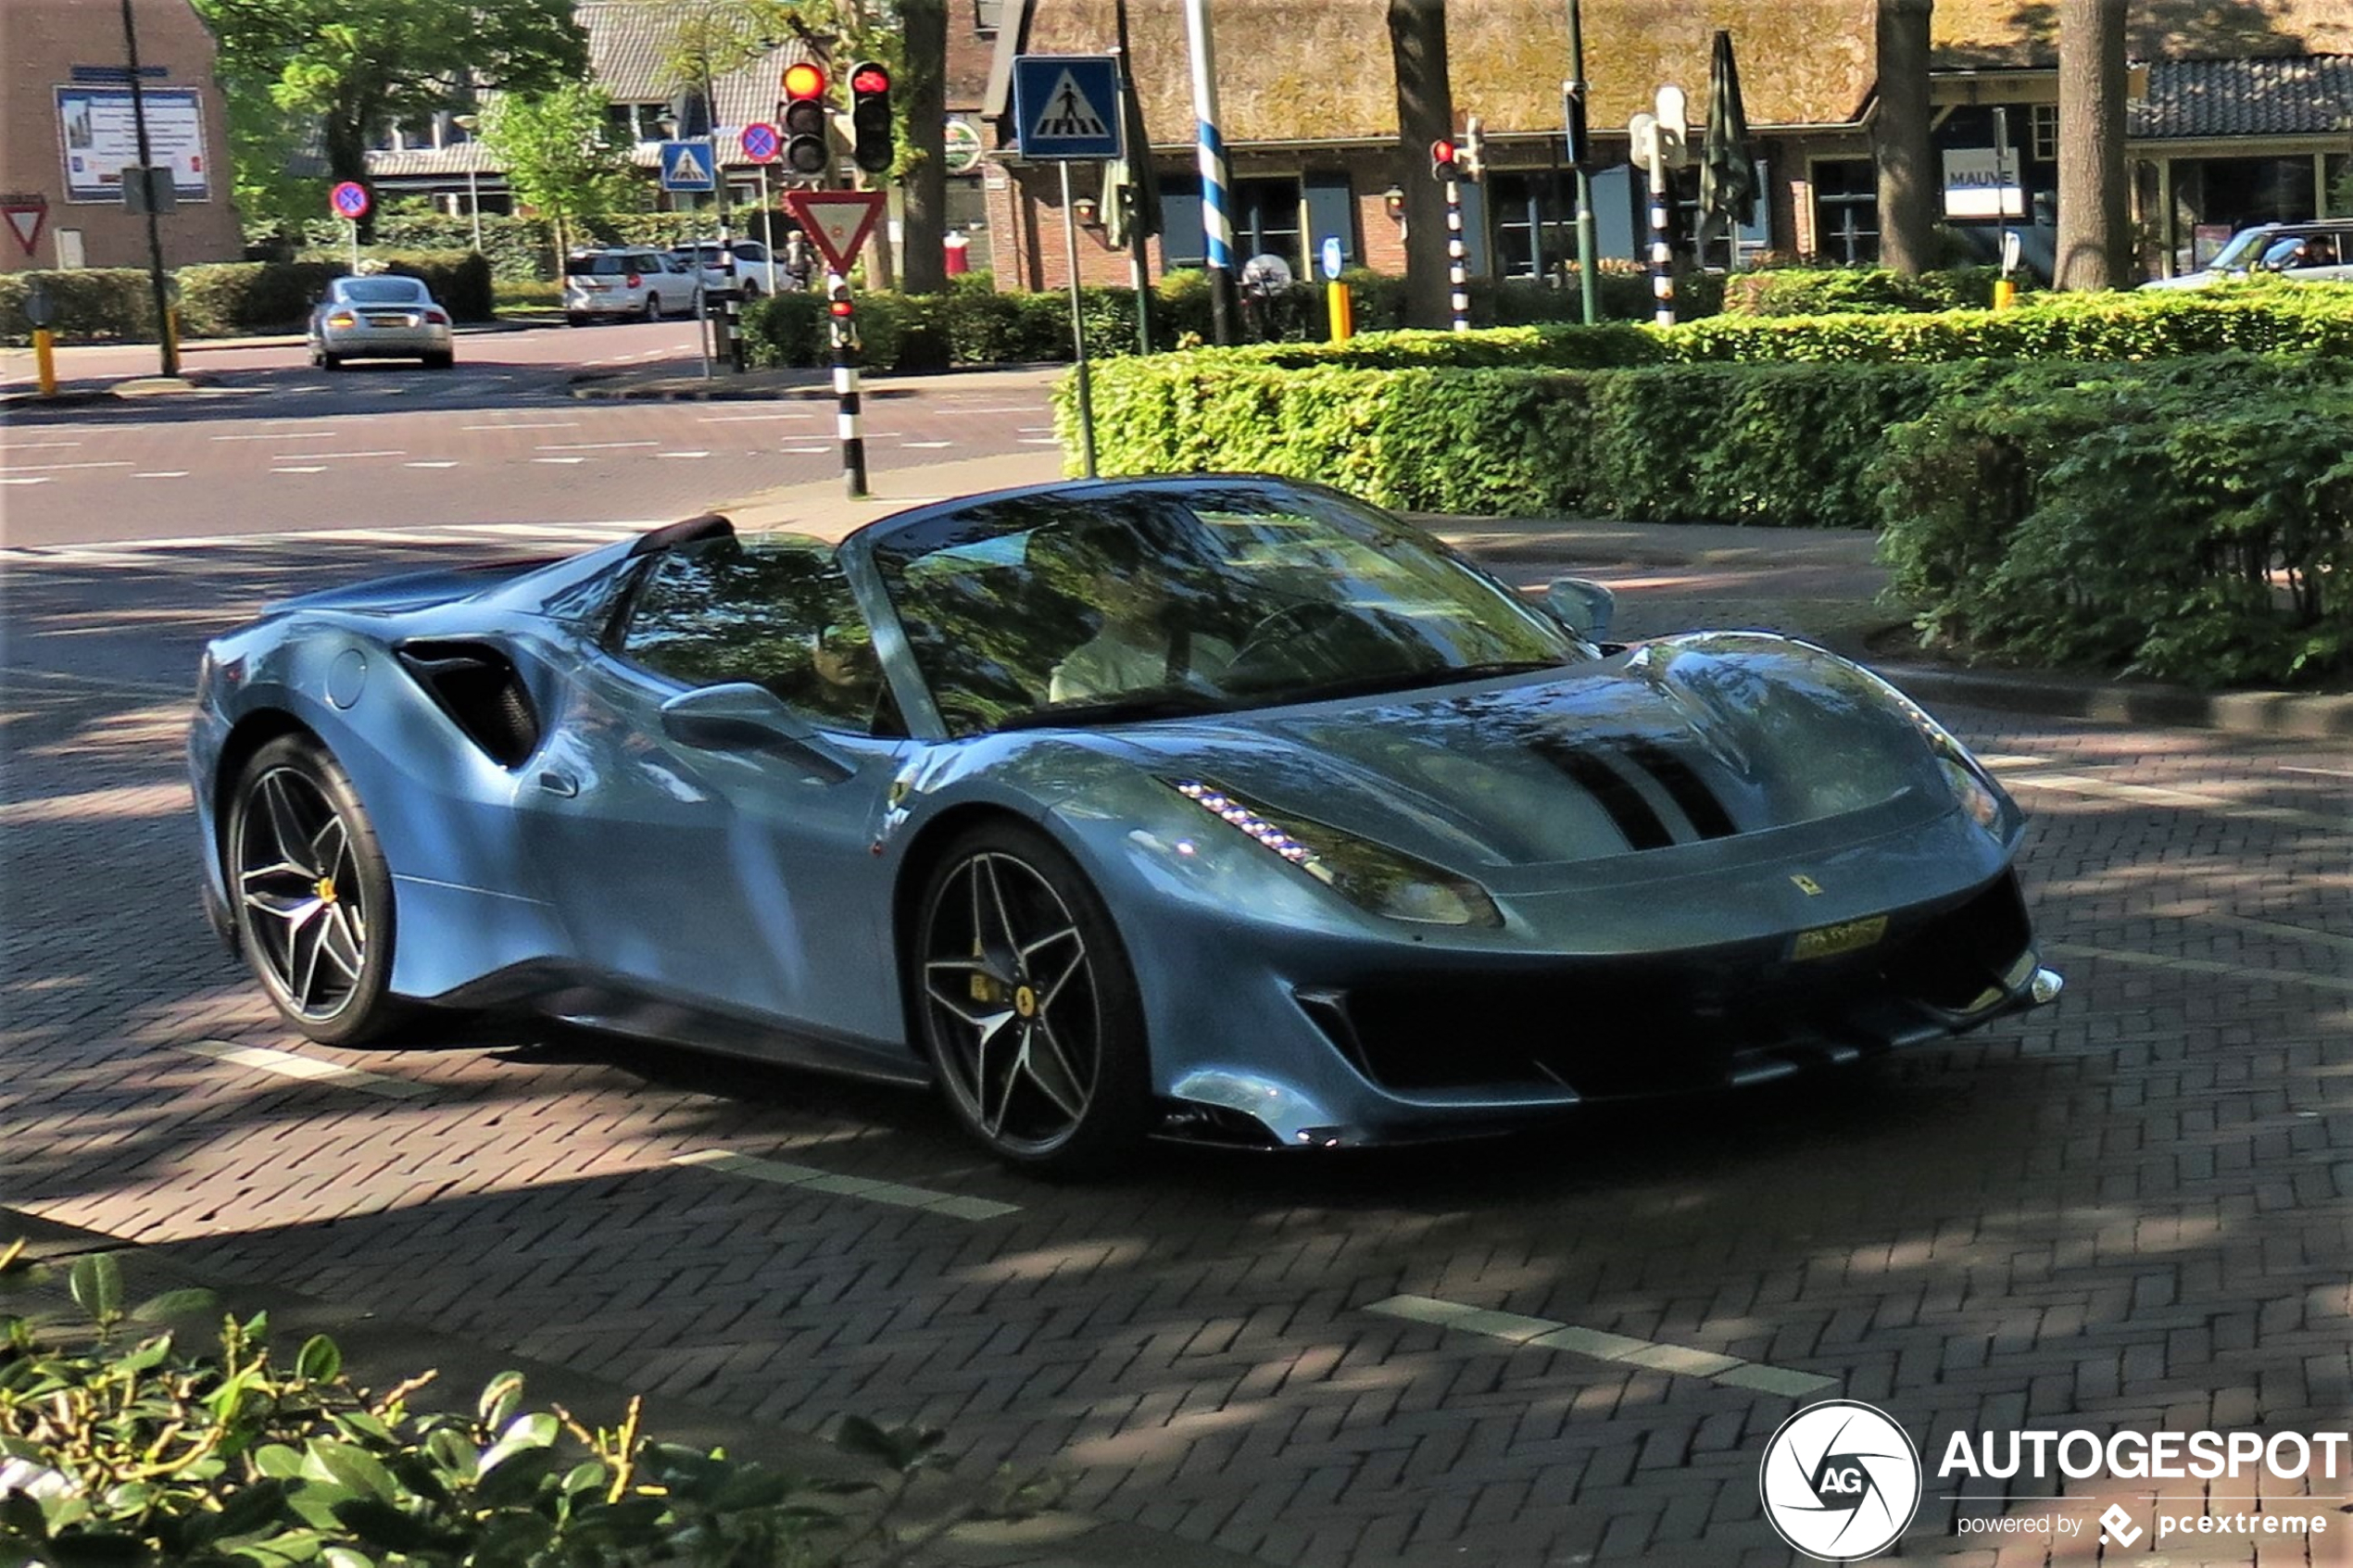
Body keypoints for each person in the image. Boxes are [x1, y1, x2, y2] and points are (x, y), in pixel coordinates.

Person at [1041, 525, 1236, 706]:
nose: (1149, 578)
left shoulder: (1217, 650)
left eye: (1156, 563)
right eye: (1126, 569)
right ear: (1091, 586)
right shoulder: (1081, 677)